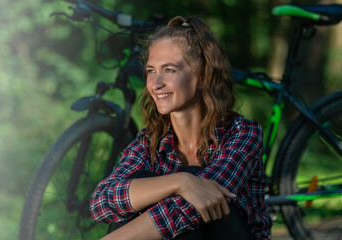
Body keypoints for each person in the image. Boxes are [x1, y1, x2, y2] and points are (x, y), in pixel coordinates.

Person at [90, 16, 272, 240]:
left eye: (169, 70)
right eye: (150, 71)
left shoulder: (243, 134)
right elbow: (101, 201)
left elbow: (195, 209)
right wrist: (179, 182)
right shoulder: (149, 141)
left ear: (203, 75)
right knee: (143, 182)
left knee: (198, 186)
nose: (156, 84)